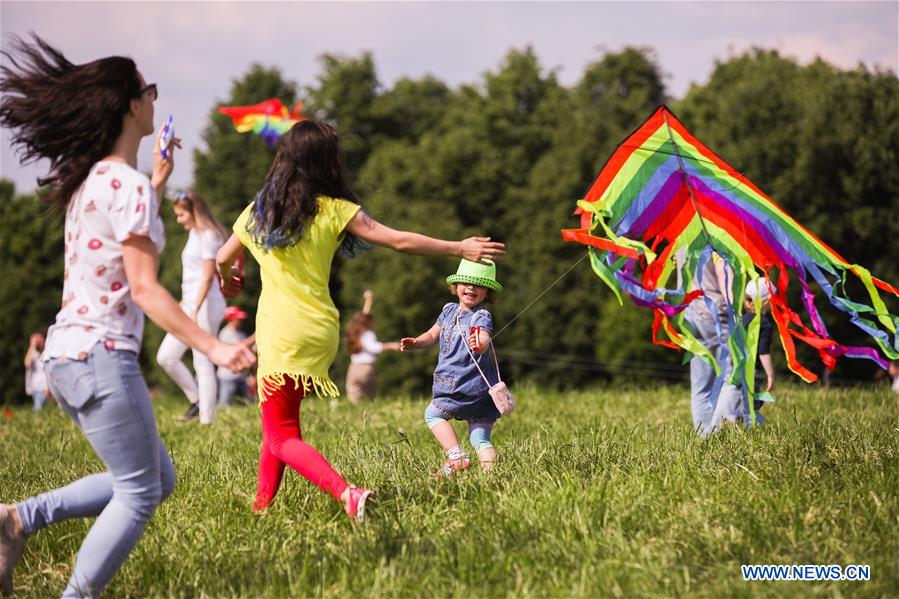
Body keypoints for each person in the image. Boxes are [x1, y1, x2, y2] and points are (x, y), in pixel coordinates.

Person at [0, 36, 255, 598]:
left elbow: (123, 236)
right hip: (101, 357)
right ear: (128, 106)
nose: (154, 97)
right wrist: (212, 349)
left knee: (154, 479)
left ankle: (16, 520)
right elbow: (144, 288)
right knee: (139, 493)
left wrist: (158, 179)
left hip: (67, 358)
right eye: (148, 89)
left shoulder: (95, 182)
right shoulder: (129, 187)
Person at [216, 120, 505, 522]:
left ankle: (346, 493)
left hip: (280, 330)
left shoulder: (258, 212)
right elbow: (399, 240)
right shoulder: (335, 209)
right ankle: (261, 507)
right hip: (320, 329)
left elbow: (221, 257)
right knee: (277, 423)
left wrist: (231, 276)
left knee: (282, 433)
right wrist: (457, 246)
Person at [401, 259, 503, 477]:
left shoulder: (481, 315)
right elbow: (432, 334)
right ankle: (491, 478)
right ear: (455, 287)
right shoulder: (448, 311)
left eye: (479, 285)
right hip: (482, 392)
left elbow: (484, 336)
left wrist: (480, 343)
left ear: (488, 293)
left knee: (432, 415)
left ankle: (456, 457)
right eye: (466, 282)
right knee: (480, 438)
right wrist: (418, 342)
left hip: (460, 387)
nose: (471, 288)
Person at [156, 190, 228, 424]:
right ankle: (197, 400)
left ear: (193, 211)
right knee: (166, 357)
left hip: (206, 304)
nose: (179, 220)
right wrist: (186, 303)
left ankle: (207, 420)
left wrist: (195, 307)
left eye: (181, 215)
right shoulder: (195, 234)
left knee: (202, 360)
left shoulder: (209, 235)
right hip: (191, 303)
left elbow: (208, 276)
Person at [681, 249, 738, 436]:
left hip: (689, 314)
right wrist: (733, 309)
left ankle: (704, 438)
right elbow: (723, 273)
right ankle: (717, 432)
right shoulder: (713, 236)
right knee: (733, 374)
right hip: (714, 315)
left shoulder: (682, 236)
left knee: (701, 386)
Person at [710, 277, 776, 427]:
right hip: (752, 372)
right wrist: (770, 375)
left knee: (736, 398)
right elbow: (763, 351)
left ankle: (730, 421)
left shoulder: (741, 320)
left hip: (733, 368)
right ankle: (745, 424)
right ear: (766, 301)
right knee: (750, 404)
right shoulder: (764, 323)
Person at [344, 290, 400, 404]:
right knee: (370, 398)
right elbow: (374, 347)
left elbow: (364, 316)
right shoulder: (368, 333)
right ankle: (369, 414)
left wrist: (368, 300)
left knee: (354, 397)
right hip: (366, 369)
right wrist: (391, 345)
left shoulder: (354, 332)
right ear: (367, 322)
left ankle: (357, 415)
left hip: (353, 368)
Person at [217, 306, 254, 407]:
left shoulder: (241, 333)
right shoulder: (226, 334)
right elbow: (240, 346)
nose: (241, 321)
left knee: (249, 404)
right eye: (238, 318)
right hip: (228, 376)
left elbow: (247, 351)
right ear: (231, 319)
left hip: (241, 376)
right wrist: (255, 336)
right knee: (224, 405)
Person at [23, 332, 49, 412]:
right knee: (38, 410)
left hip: (48, 387)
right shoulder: (33, 354)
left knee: (47, 411)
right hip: (37, 388)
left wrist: (48, 387)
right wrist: (32, 346)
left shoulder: (48, 352)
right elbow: (27, 364)